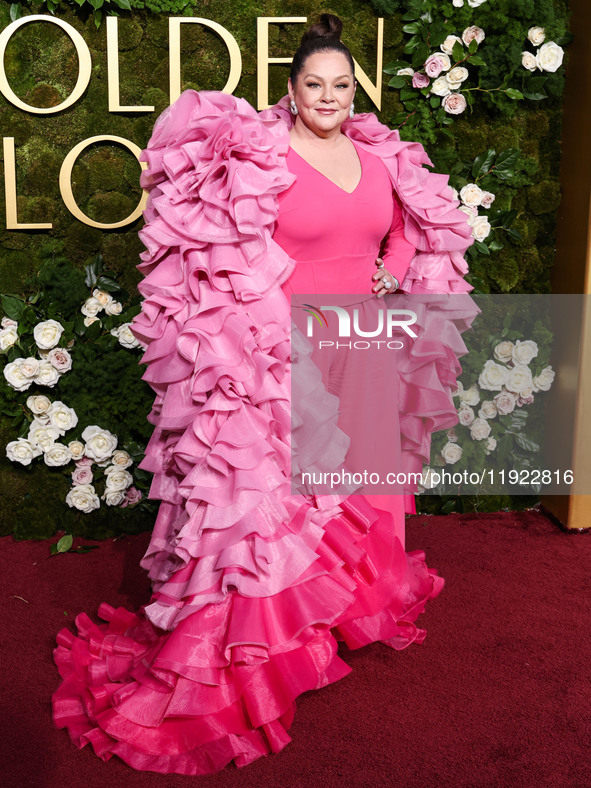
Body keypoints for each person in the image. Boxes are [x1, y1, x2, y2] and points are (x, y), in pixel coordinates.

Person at [52, 14, 475, 776]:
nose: (328, 95)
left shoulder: (379, 157)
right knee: (277, 507)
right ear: (290, 90)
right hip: (287, 351)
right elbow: (219, 245)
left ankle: (348, 613)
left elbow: (412, 226)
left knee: (366, 485)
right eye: (314, 84)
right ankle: (273, 643)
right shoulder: (267, 157)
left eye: (340, 84)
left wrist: (391, 267)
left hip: (364, 338)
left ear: (355, 90)